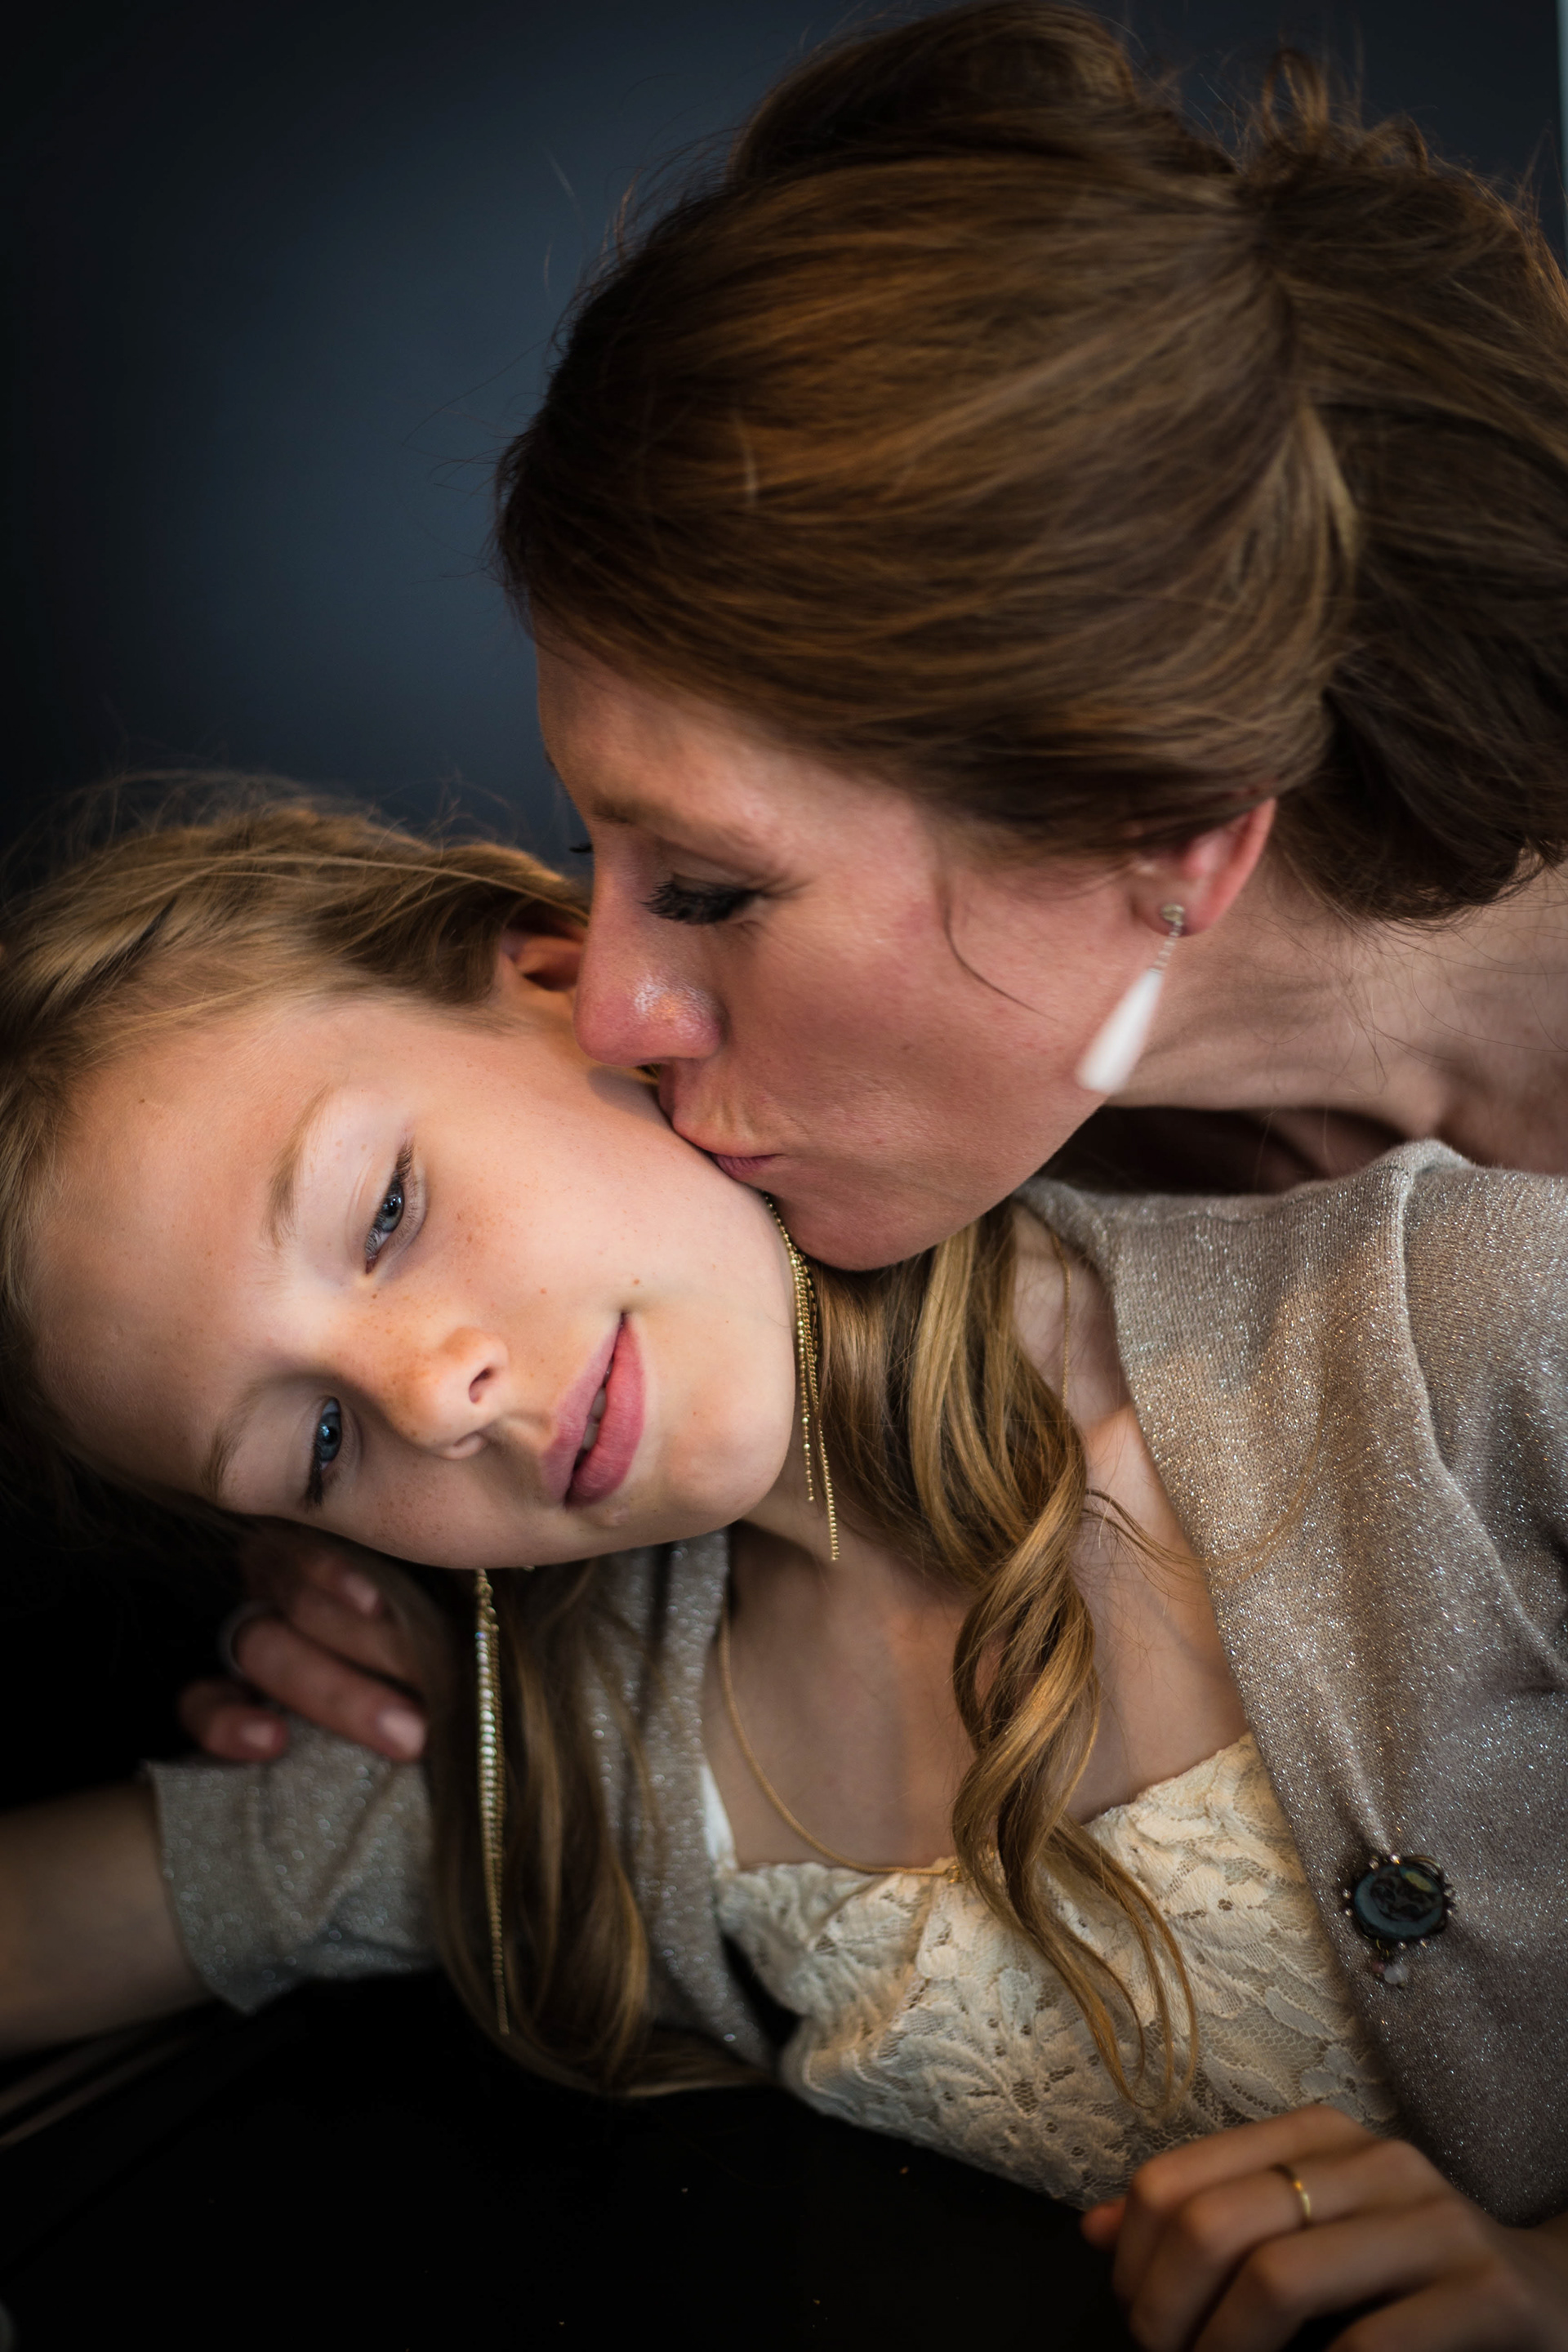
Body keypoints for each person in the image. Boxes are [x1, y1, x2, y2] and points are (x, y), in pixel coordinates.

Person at [0, 799, 1566, 2352]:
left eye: (388, 1212)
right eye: (324, 1442)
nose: (432, 1396)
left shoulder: (1464, 1329)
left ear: (564, 978)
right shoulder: (557, 1762)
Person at [203, 0, 1568, 1772]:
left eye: (713, 889)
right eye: (605, 855)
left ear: (1167, 833)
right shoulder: (855, 1211)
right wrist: (380, 1552)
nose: (608, 1011)